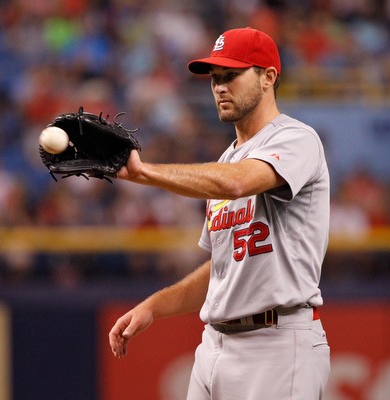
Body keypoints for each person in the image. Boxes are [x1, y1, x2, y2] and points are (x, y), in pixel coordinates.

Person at [108, 27, 331, 399]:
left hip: (277, 344)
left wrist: (144, 173)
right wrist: (155, 306)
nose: (219, 87)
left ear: (268, 77)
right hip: (214, 343)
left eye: (231, 75)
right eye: (215, 78)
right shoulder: (227, 159)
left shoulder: (296, 139)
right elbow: (223, 267)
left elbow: (237, 184)